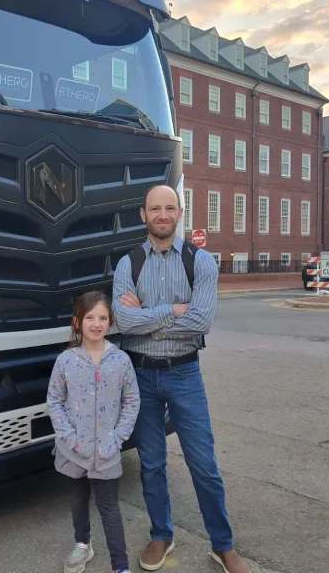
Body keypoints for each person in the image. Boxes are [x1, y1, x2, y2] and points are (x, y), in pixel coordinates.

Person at [112, 184, 249, 573]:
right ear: (143, 215)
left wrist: (147, 319)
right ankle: (161, 534)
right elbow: (122, 322)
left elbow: (201, 321)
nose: (162, 215)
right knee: (152, 463)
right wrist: (173, 311)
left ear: (180, 212)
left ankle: (222, 545)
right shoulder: (128, 264)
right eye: (155, 209)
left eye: (169, 208)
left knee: (203, 463)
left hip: (185, 373)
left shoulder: (200, 262)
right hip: (140, 375)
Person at [47, 291, 141, 573]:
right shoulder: (66, 361)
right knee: (77, 499)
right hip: (73, 449)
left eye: (103, 318)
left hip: (106, 451)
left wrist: (118, 436)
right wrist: (69, 437)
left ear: (110, 322)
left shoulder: (121, 360)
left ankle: (120, 565)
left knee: (109, 507)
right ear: (78, 322)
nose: (96, 323)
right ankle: (82, 544)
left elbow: (132, 400)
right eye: (90, 317)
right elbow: (55, 400)